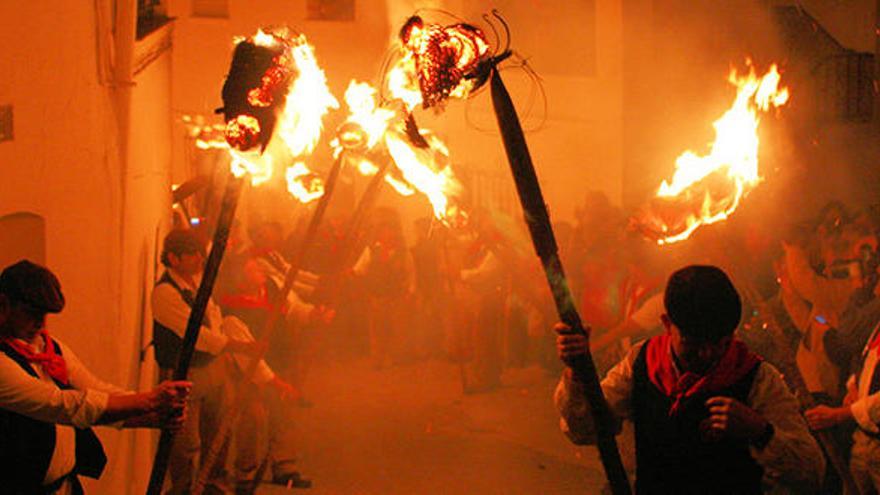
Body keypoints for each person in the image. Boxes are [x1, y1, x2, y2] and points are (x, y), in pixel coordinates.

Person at [555, 265, 825, 493]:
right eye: (693, 342)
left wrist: (761, 431)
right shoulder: (641, 363)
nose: (707, 353)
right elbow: (583, 429)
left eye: (719, 342)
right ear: (667, 323)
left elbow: (812, 472)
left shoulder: (757, 379)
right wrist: (577, 373)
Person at [0, 259, 190, 494]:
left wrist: (151, 416)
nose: (40, 323)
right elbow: (63, 405)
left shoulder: (49, 348)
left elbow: (96, 391)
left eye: (45, 314)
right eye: (31, 313)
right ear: (4, 305)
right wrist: (149, 400)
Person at [151, 229, 285, 494]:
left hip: (213, 369)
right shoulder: (165, 292)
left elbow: (215, 320)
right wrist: (240, 346)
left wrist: (234, 344)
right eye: (191, 255)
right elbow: (196, 334)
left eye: (200, 253)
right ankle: (184, 488)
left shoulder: (198, 282)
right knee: (186, 441)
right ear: (173, 258)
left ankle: (213, 483)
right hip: (183, 371)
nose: (199, 259)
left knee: (218, 431)